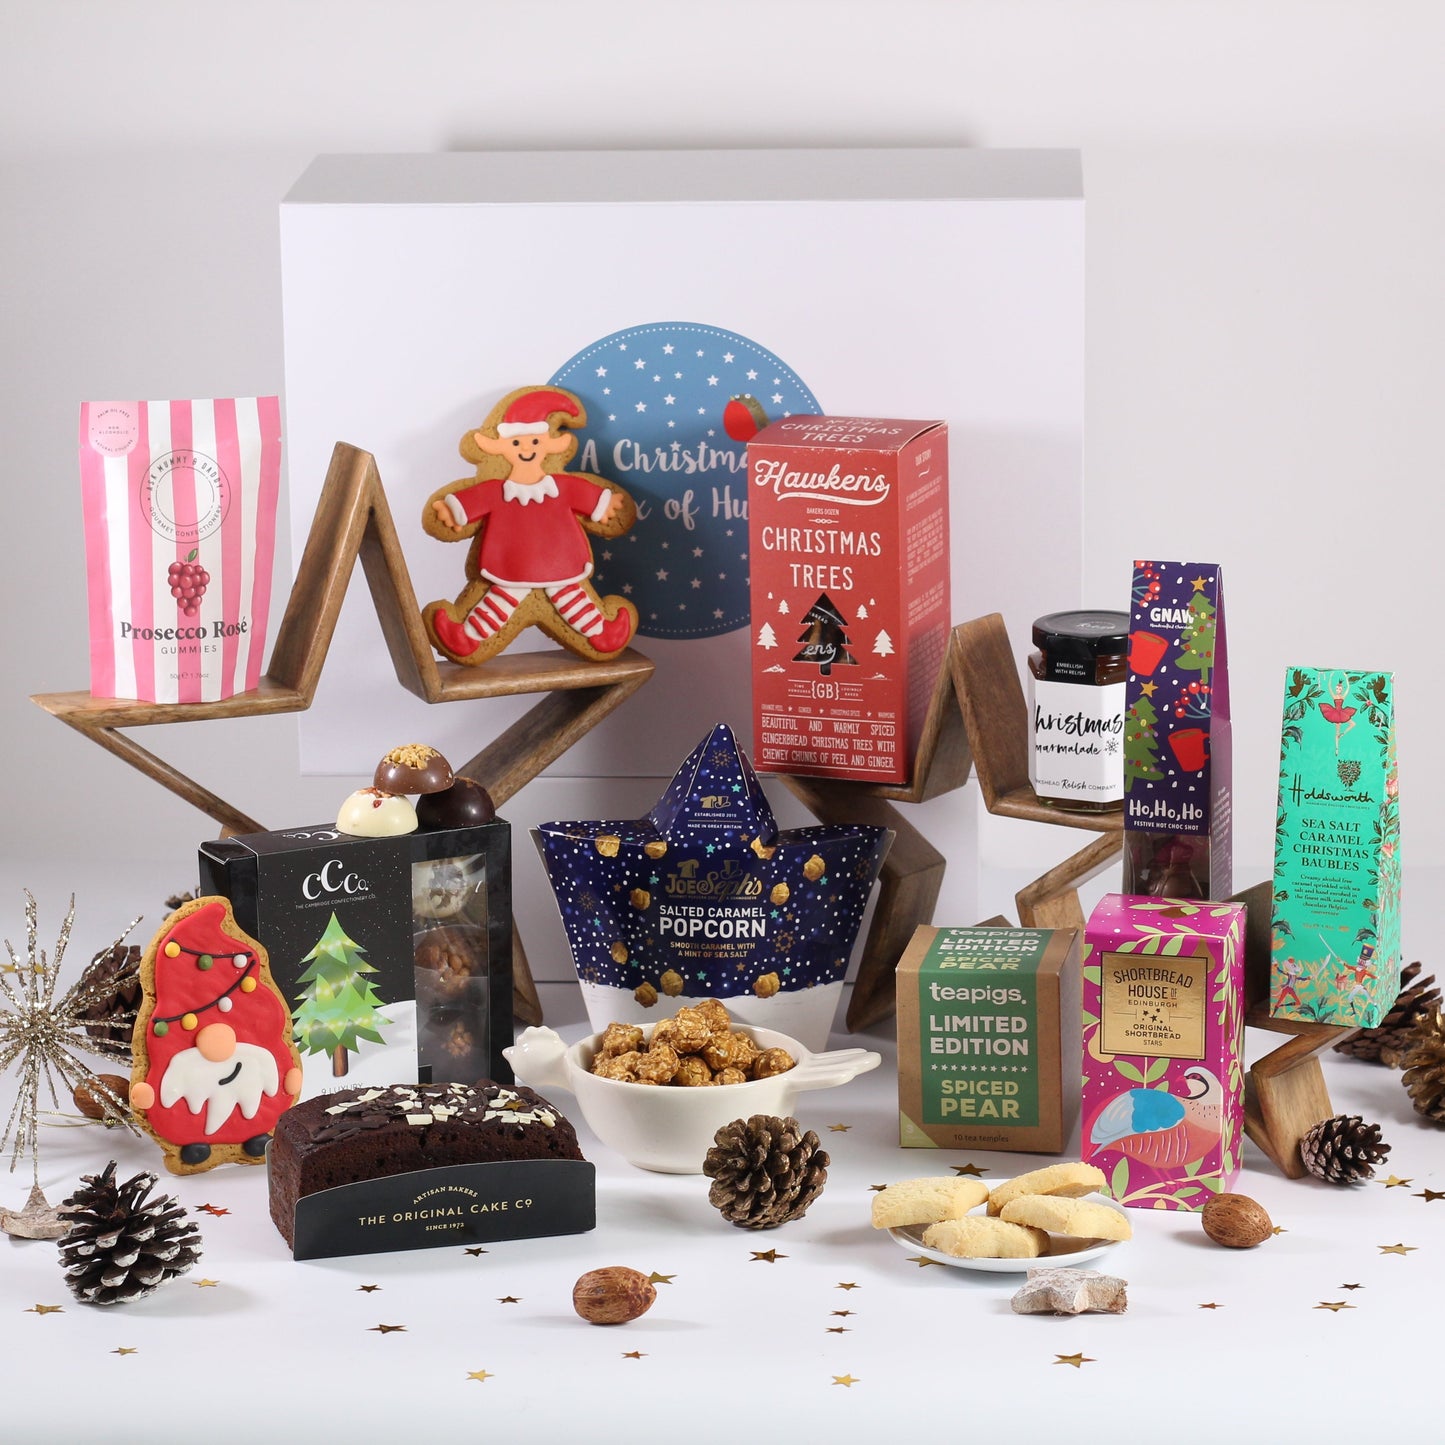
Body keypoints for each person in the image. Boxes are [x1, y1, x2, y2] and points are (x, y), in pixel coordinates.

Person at [426, 387, 635, 660]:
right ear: (501, 449)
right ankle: (467, 638)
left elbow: (589, 498)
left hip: (560, 559)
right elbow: (469, 503)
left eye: (535, 441)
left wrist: (606, 505)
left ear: (549, 446)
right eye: (516, 443)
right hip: (512, 563)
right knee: (499, 602)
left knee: (572, 598)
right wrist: (450, 511)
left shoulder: (562, 486)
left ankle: (603, 634)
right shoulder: (496, 489)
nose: (526, 448)